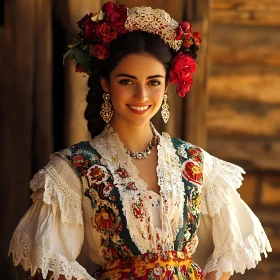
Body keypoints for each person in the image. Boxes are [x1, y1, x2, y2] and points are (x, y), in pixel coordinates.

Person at [8, 2, 272, 280]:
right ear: (106, 83)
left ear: (167, 85)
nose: (142, 95)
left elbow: (230, 247)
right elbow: (54, 261)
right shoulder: (75, 168)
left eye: (154, 82)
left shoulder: (194, 162)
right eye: (127, 81)